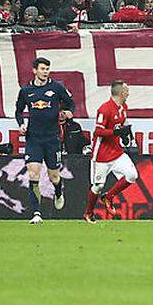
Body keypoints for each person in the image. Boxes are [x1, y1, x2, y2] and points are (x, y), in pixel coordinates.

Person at [15, 56, 75, 224]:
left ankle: (58, 191)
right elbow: (18, 112)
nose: (45, 72)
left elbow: (71, 104)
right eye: (42, 69)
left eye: (47, 69)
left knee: (53, 176)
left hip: (52, 138)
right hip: (33, 138)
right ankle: (36, 213)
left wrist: (69, 112)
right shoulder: (25, 91)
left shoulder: (57, 87)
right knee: (33, 173)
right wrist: (21, 124)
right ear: (35, 70)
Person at [83, 80, 138, 223]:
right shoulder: (105, 109)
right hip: (101, 154)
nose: (128, 93)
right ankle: (88, 213)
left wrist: (126, 136)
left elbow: (122, 126)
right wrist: (116, 132)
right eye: (127, 91)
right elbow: (98, 131)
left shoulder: (123, 107)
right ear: (121, 93)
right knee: (98, 186)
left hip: (117, 152)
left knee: (132, 175)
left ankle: (109, 196)